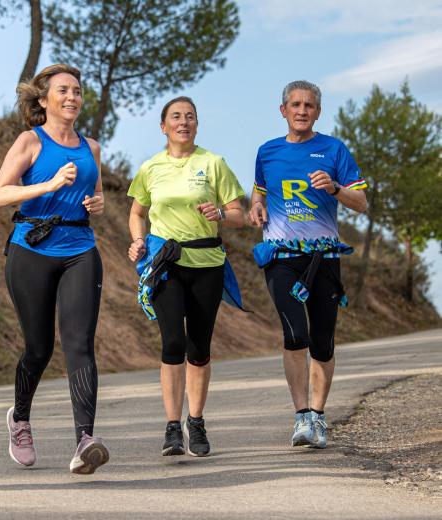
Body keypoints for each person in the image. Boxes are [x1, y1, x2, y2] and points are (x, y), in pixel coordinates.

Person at [0, 64, 109, 474]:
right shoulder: (30, 141)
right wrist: (48, 184)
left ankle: (85, 441)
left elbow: (94, 194)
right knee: (39, 348)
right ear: (44, 100)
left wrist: (98, 204)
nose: (73, 97)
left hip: (80, 248)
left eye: (77, 90)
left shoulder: (91, 147)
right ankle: (20, 419)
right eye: (64, 90)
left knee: (79, 344)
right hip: (32, 249)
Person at [248, 80, 367, 449]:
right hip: (281, 256)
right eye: (296, 104)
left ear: (318, 111)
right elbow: (259, 192)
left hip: (324, 257)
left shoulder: (333, 149)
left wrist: (334, 187)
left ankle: (318, 415)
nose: (302, 110)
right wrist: (255, 206)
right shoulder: (267, 152)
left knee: (322, 342)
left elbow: (361, 203)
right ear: (283, 110)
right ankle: (301, 416)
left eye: (309, 105)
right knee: (295, 333)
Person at [127, 96, 245, 458]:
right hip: (167, 265)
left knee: (199, 347)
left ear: (197, 124)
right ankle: (172, 428)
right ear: (163, 126)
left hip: (207, 263)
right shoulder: (151, 167)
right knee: (172, 343)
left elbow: (239, 214)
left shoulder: (213, 163)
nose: (184, 122)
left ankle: (196, 421)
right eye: (176, 117)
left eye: (190, 117)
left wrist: (221, 215)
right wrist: (138, 241)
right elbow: (137, 213)